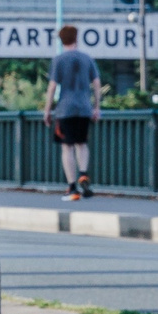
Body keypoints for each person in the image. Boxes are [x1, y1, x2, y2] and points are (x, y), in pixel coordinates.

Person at [48, 24, 101, 200]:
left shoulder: (59, 60)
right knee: (82, 143)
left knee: (67, 147)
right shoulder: (87, 59)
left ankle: (72, 187)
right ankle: (83, 173)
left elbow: (52, 86)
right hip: (84, 107)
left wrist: (47, 110)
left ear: (61, 40)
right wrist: (96, 107)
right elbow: (97, 83)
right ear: (76, 38)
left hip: (65, 108)